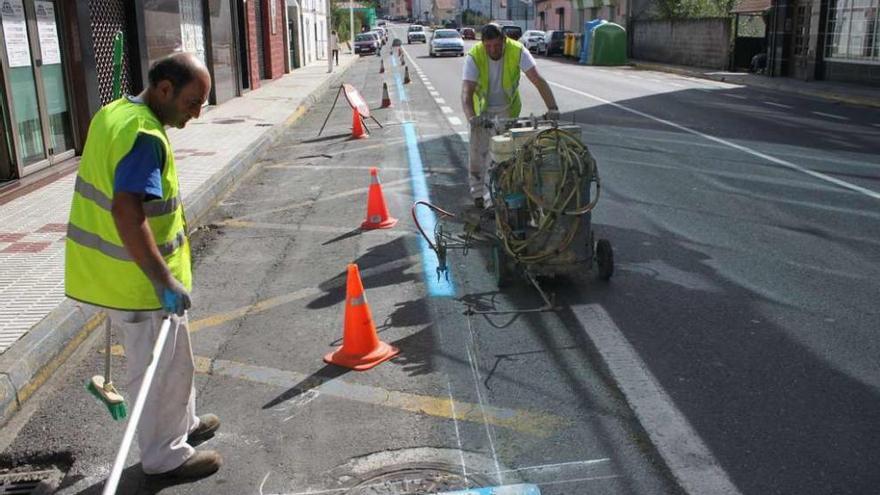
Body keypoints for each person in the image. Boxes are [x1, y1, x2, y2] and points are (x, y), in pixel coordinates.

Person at [65, 53, 222, 480]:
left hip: (126, 275)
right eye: (192, 101)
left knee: (176, 362)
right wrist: (164, 280)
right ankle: (163, 455)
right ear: (164, 89)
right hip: (142, 283)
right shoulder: (144, 136)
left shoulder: (115, 113)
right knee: (157, 372)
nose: (197, 112)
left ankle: (183, 425)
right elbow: (126, 213)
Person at [461, 23, 560, 208]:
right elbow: (466, 92)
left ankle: (497, 197)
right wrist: (472, 118)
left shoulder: (518, 51)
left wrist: (552, 108)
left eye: (497, 45)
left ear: (505, 41)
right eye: (488, 46)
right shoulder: (474, 56)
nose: (493, 50)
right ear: (483, 44)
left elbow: (537, 79)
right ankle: (477, 195)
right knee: (478, 153)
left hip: (508, 109)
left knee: (503, 155)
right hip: (481, 112)